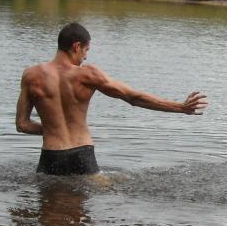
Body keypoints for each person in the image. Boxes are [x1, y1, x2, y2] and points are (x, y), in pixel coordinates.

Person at [16, 22, 207, 175]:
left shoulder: (31, 76)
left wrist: (53, 130)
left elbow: (22, 125)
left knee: (49, 208)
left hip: (50, 156)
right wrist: (180, 107)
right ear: (76, 46)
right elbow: (133, 97)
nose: (85, 57)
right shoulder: (87, 74)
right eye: (86, 50)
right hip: (82, 154)